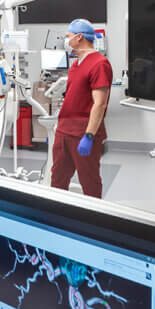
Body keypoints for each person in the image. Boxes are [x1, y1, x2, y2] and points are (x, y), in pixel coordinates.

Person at [49, 19, 113, 198]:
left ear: (79, 37)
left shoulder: (99, 63)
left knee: (89, 182)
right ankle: (56, 215)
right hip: (64, 131)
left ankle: (93, 221)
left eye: (68, 36)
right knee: (58, 180)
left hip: (83, 134)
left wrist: (89, 135)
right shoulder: (76, 64)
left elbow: (100, 103)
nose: (65, 40)